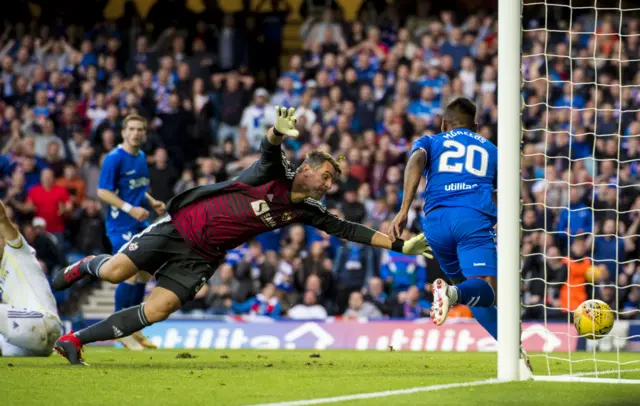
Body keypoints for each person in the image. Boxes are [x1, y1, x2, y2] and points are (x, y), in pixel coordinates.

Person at [52, 107, 433, 365]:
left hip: (204, 256)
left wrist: (400, 245)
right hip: (181, 226)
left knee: (157, 310)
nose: (329, 186)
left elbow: (351, 229)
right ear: (308, 168)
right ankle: (85, 265)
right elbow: (270, 148)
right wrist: (276, 133)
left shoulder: (307, 210)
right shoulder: (275, 172)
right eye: (327, 177)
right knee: (116, 272)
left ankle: (75, 340)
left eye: (333, 181)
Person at [387, 97, 532, 372]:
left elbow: (415, 159)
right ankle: (452, 295)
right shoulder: (492, 149)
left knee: (469, 291)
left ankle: (515, 354)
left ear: (444, 123)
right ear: (475, 126)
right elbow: (509, 187)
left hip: (436, 224)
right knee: (485, 290)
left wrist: (404, 210)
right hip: (472, 220)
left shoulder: (432, 141)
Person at [96, 114, 166, 350]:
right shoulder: (113, 159)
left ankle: (134, 326)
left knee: (146, 272)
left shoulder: (141, 157)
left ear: (144, 133)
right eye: (132, 129)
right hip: (120, 225)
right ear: (124, 132)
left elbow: (135, 189)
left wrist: (152, 201)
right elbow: (103, 192)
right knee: (131, 272)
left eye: (140, 129)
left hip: (137, 223)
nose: (136, 133)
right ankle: (118, 329)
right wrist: (130, 209)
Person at [0, 199, 62, 356]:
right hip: (35, 344)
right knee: (4, 347)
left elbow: (2, 217)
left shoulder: (17, 251)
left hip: (42, 320)